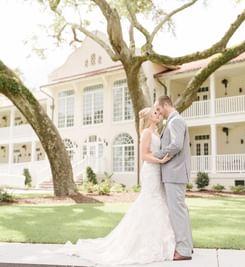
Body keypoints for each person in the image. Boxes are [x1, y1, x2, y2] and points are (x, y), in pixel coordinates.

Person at [65, 107, 175, 265]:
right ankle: (141, 244)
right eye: (155, 113)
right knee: (150, 202)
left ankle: (161, 242)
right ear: (149, 118)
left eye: (158, 113)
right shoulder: (146, 133)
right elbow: (144, 155)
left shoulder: (156, 133)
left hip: (158, 172)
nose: (158, 115)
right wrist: (161, 161)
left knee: (158, 202)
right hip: (151, 171)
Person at [153, 95, 193, 261]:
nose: (158, 112)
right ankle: (187, 246)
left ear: (166, 105)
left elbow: (176, 145)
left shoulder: (175, 121)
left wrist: (157, 154)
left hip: (175, 173)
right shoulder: (172, 121)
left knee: (177, 212)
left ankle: (183, 250)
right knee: (181, 211)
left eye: (159, 109)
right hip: (174, 173)